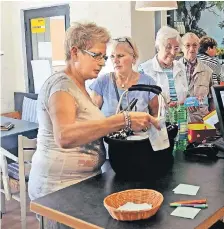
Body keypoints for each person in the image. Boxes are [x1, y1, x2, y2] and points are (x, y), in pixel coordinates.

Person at [28, 22, 159, 210]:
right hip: (59, 192)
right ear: (74, 53)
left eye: (104, 56)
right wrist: (123, 120)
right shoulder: (61, 86)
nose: (103, 62)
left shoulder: (79, 86)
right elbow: (65, 136)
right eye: (96, 55)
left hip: (79, 186)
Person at [89, 37, 158, 117]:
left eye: (120, 56)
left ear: (134, 58)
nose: (115, 61)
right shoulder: (102, 82)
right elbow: (91, 117)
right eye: (112, 56)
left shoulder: (147, 82)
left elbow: (156, 115)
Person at [138, 26, 188, 117]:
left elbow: (185, 94)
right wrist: (163, 105)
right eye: (168, 47)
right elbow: (140, 103)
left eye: (176, 48)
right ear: (158, 47)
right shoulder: (144, 70)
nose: (173, 52)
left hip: (181, 122)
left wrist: (189, 102)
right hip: (157, 124)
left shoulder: (181, 67)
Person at [179, 32, 214, 123]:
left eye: (195, 45)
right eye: (187, 45)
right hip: (179, 122)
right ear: (181, 47)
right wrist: (185, 102)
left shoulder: (208, 71)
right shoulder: (173, 69)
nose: (192, 49)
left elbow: (212, 100)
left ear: (198, 47)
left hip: (200, 122)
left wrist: (213, 123)